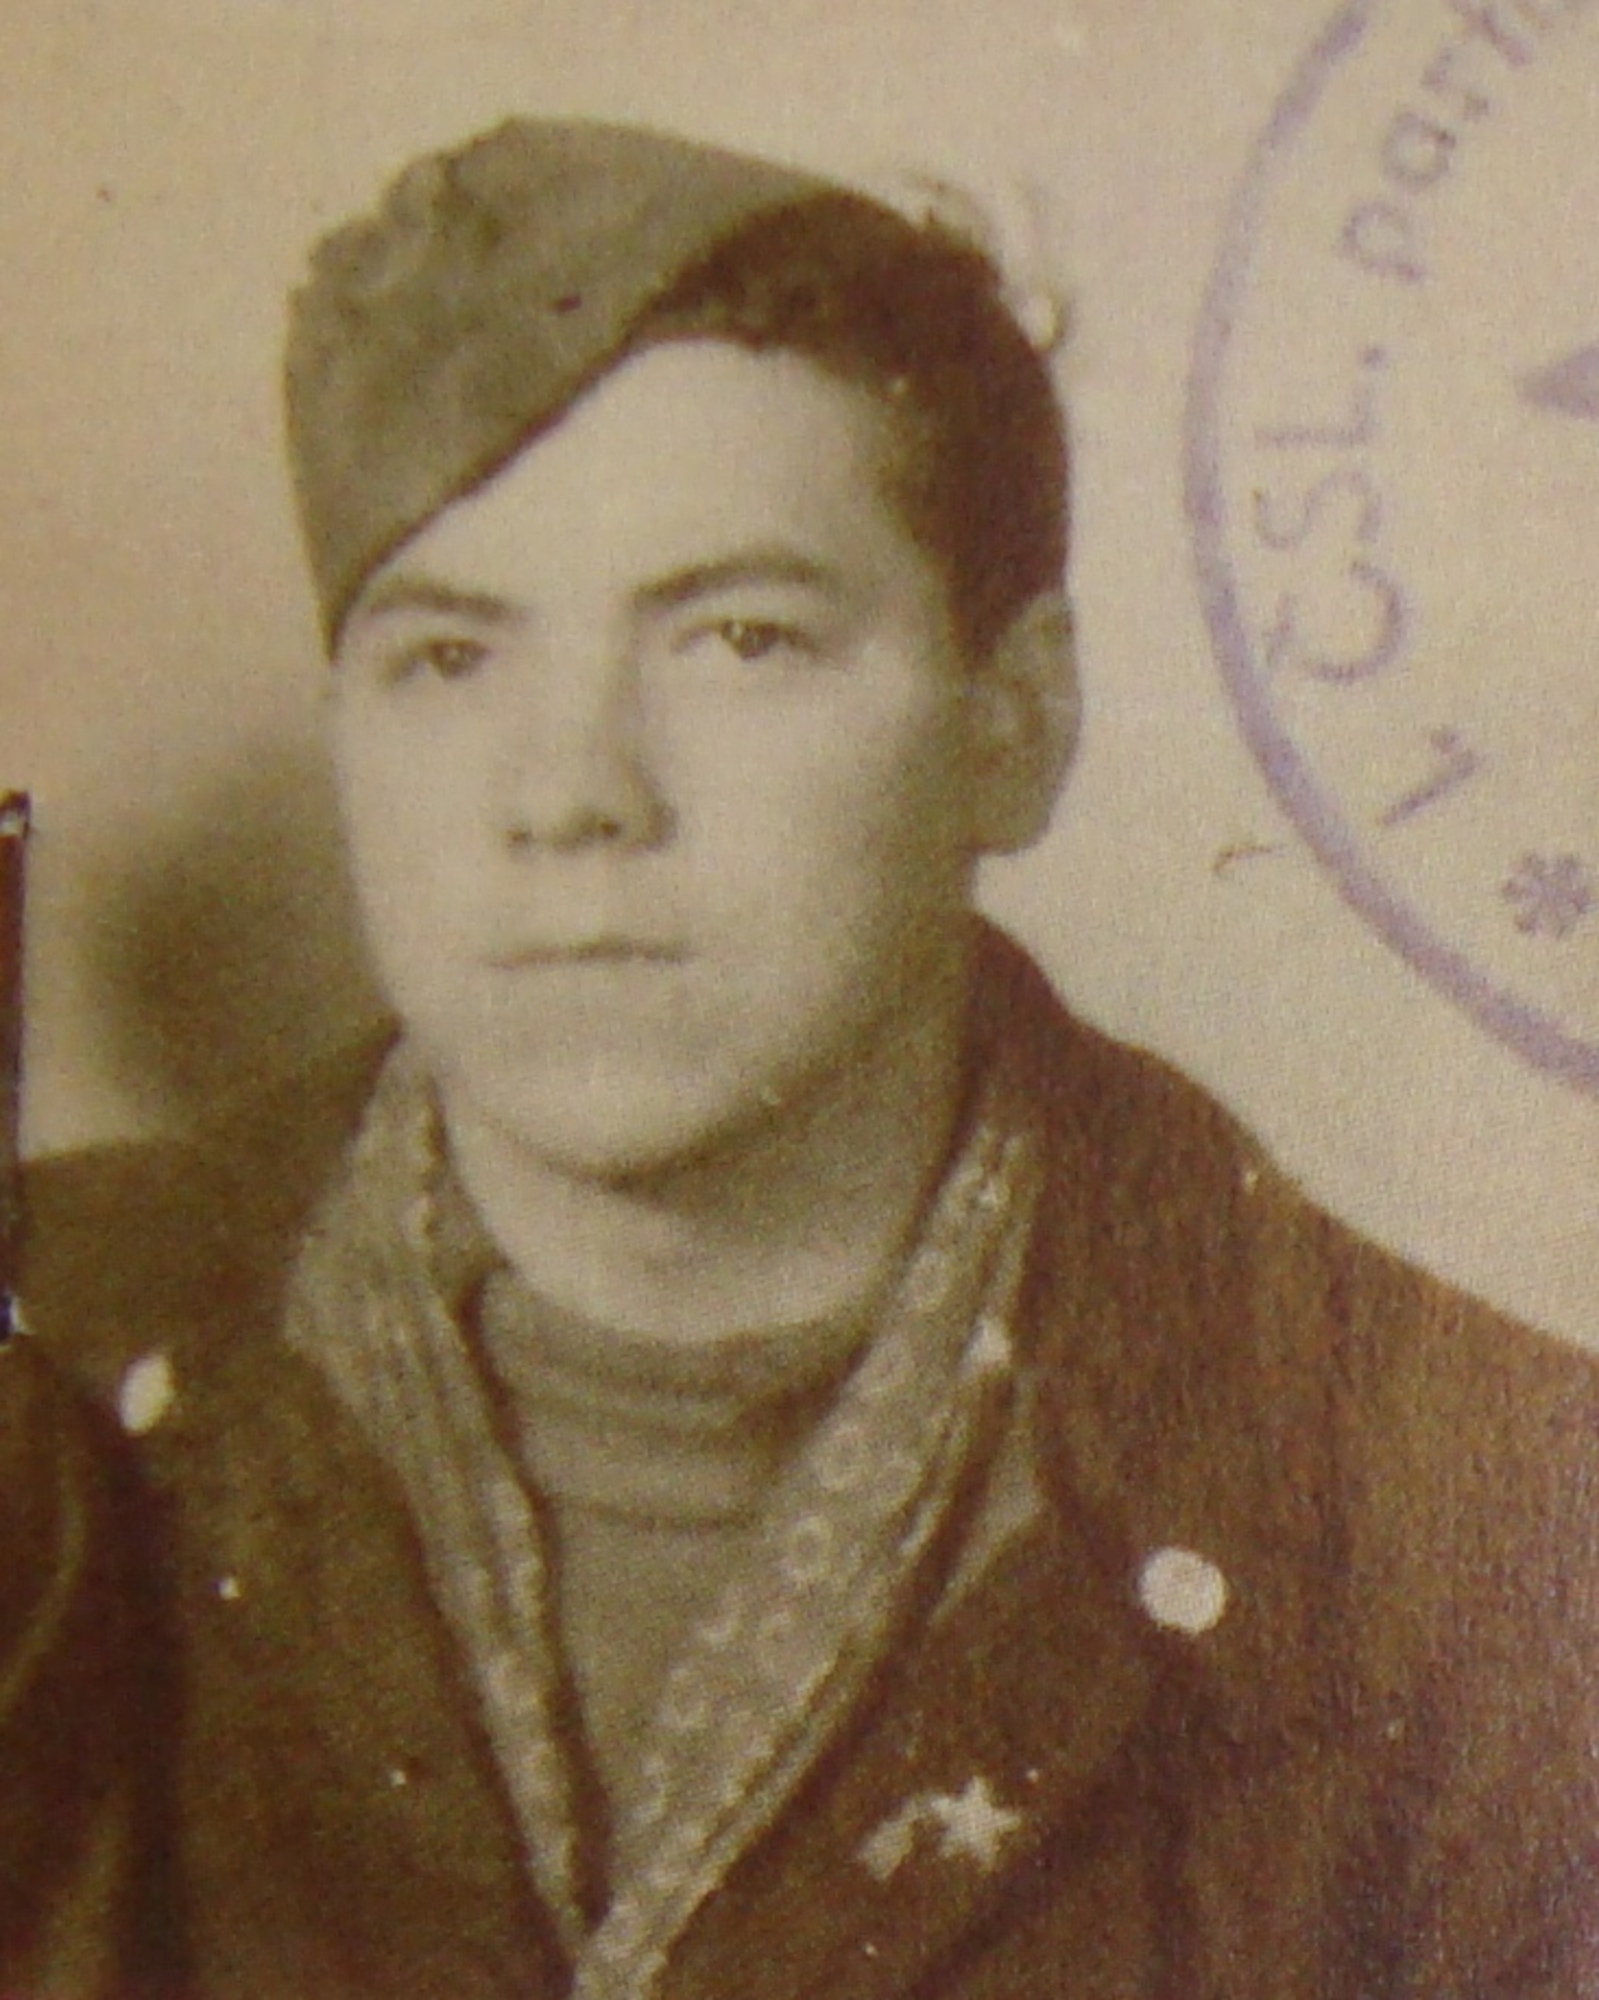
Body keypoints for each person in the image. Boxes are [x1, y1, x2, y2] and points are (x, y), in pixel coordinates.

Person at [5, 115, 1599, 2000]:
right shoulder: (51, 1378)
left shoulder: (1493, 1525)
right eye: (447, 659)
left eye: (739, 640)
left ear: (1015, 724)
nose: (571, 794)